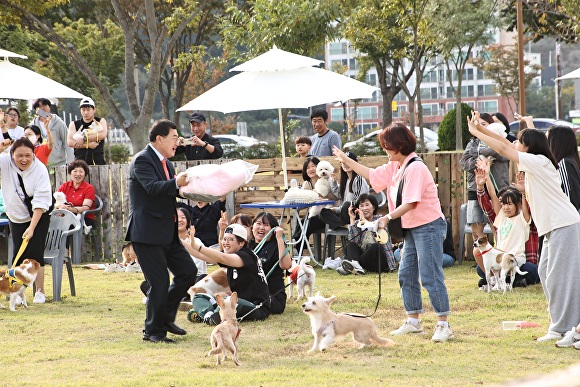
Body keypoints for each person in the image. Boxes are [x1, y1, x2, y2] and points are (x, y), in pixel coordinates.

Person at [333, 122, 454, 342]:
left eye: (387, 145)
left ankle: (443, 324)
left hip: (428, 225)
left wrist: (386, 218)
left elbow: (411, 202)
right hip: (411, 227)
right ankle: (414, 321)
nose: (384, 150)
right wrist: (346, 159)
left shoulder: (415, 167)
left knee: (429, 275)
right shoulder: (396, 166)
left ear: (399, 145)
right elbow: (370, 174)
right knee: (405, 274)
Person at [467, 111, 580, 343]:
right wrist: (480, 130)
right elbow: (505, 143)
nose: (514, 143)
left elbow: (503, 149)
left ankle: (566, 329)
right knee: (545, 273)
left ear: (529, 147)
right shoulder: (533, 165)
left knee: (560, 279)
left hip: (564, 225)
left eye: (519, 141)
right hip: (553, 228)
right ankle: (559, 326)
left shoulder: (539, 162)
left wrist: (477, 133)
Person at [125, 119, 198, 343]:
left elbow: (170, 191)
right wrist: (176, 182)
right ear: (160, 138)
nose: (178, 142)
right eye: (174, 138)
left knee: (187, 271)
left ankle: (165, 316)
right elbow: (152, 187)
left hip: (167, 231)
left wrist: (193, 191)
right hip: (146, 233)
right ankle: (153, 332)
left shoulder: (168, 164)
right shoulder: (142, 160)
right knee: (159, 282)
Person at [0, 138, 52, 303]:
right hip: (15, 216)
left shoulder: (40, 170)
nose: (24, 159)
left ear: (33, 154)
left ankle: (40, 292)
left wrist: (32, 227)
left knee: (36, 255)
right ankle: (15, 294)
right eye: (19, 155)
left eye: (28, 155)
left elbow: (41, 202)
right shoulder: (4, 162)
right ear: (12, 154)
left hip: (38, 215)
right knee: (19, 254)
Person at [187, 223, 271, 324]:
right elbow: (199, 254)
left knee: (229, 302)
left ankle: (207, 314)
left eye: (230, 239)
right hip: (235, 302)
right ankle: (209, 315)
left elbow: (221, 257)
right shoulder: (231, 256)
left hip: (256, 307)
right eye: (224, 239)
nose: (225, 243)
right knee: (199, 296)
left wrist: (198, 246)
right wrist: (177, 239)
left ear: (241, 243)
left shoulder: (247, 256)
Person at [473, 166, 539, 288]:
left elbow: (527, 206)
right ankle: (497, 280)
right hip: (498, 259)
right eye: (504, 204)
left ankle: (500, 281)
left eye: (510, 204)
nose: (506, 207)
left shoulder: (522, 219)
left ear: (517, 205)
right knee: (478, 263)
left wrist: (524, 192)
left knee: (532, 270)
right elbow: (492, 196)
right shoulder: (501, 218)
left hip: (514, 260)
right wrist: (485, 180)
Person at [460, 112, 510, 244]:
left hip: (498, 186)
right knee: (475, 222)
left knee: (498, 223)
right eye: (478, 124)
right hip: (476, 187)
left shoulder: (502, 140)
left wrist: (478, 152)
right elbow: (464, 162)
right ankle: (481, 256)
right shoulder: (473, 142)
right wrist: (481, 162)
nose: (480, 127)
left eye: (484, 124)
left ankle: (499, 250)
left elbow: (504, 154)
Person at [340, 193, 396, 274]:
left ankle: (353, 267)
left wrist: (363, 219)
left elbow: (378, 237)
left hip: (379, 260)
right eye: (361, 206)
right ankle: (356, 267)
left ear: (373, 207)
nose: (364, 208)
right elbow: (354, 241)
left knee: (375, 247)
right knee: (350, 244)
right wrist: (352, 220)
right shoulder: (358, 223)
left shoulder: (381, 220)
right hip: (364, 260)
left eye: (367, 205)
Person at [248, 212, 292, 314]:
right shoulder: (247, 245)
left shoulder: (277, 245)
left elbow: (286, 265)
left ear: (273, 230)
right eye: (258, 223)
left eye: (266, 225)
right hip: (250, 292)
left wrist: (279, 239)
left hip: (272, 296)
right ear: (252, 226)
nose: (261, 227)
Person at [319, 151, 369, 230]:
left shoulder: (358, 179)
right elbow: (339, 195)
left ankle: (339, 224)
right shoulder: (346, 179)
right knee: (323, 212)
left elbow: (357, 203)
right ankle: (346, 226)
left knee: (346, 205)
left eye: (348, 162)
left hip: (355, 213)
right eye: (343, 162)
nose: (345, 164)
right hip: (344, 213)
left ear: (355, 163)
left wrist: (337, 209)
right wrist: (334, 182)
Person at [31, 98, 74, 166]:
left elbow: (67, 142)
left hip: (58, 163)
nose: (42, 108)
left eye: (44, 105)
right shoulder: (33, 125)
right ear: (36, 110)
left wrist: (71, 162)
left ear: (49, 106)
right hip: (39, 164)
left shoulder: (58, 122)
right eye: (39, 106)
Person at [546, 125, 580, 212]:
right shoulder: (571, 160)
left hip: (568, 218)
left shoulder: (564, 163)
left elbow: (569, 194)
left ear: (556, 142)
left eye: (547, 139)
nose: (545, 142)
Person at [54, 160, 96, 229]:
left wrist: (69, 209)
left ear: (85, 174)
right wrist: (59, 208)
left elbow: (85, 208)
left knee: (63, 226)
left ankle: (63, 239)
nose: (78, 174)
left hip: (83, 217)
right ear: (70, 172)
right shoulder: (64, 186)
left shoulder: (89, 188)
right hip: (65, 215)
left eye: (81, 171)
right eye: (75, 171)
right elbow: (57, 203)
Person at [67, 97, 108, 165]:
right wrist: (87, 145)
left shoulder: (100, 121)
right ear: (80, 110)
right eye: (83, 110)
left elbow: (102, 135)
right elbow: (70, 142)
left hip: (97, 161)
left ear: (94, 109)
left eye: (88, 110)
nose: (86, 112)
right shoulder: (74, 124)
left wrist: (83, 138)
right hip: (79, 161)